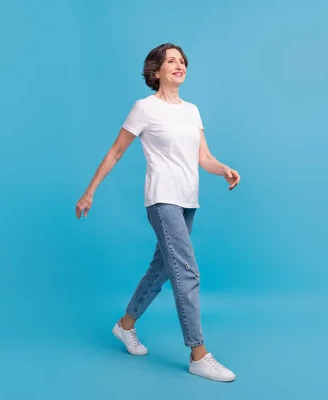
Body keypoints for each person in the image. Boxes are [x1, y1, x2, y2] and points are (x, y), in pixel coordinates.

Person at [75, 43, 240, 382]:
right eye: (171, 61)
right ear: (156, 71)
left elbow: (202, 157)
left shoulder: (192, 111)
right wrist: (90, 191)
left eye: (182, 61)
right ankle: (198, 353)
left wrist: (222, 168)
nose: (179, 65)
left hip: (187, 200)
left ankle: (125, 325)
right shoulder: (144, 108)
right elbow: (116, 152)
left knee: (163, 268)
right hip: (162, 199)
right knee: (187, 272)